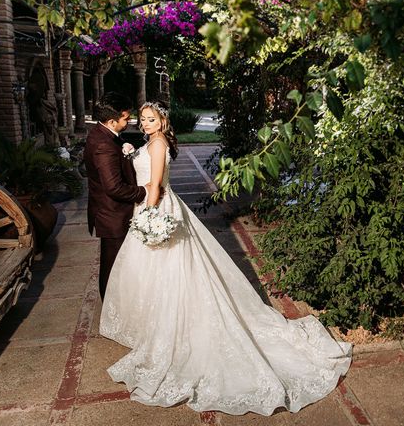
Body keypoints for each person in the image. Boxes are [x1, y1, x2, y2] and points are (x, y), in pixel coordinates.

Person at [100, 101, 352, 415]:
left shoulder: (158, 143)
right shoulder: (151, 142)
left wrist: (149, 216)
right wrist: (130, 150)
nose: (146, 123)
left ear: (162, 122)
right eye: (143, 119)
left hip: (156, 209)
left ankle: (172, 330)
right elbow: (148, 168)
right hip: (156, 206)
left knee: (170, 270)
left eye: (152, 119)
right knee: (154, 272)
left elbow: (154, 187)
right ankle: (152, 326)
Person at [84, 92, 147, 300]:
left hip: (107, 211)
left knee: (115, 263)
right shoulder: (104, 145)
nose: (129, 121)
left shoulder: (100, 134)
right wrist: (144, 191)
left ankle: (116, 306)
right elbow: (114, 188)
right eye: (126, 118)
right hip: (112, 215)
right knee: (112, 267)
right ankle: (111, 310)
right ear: (111, 120)